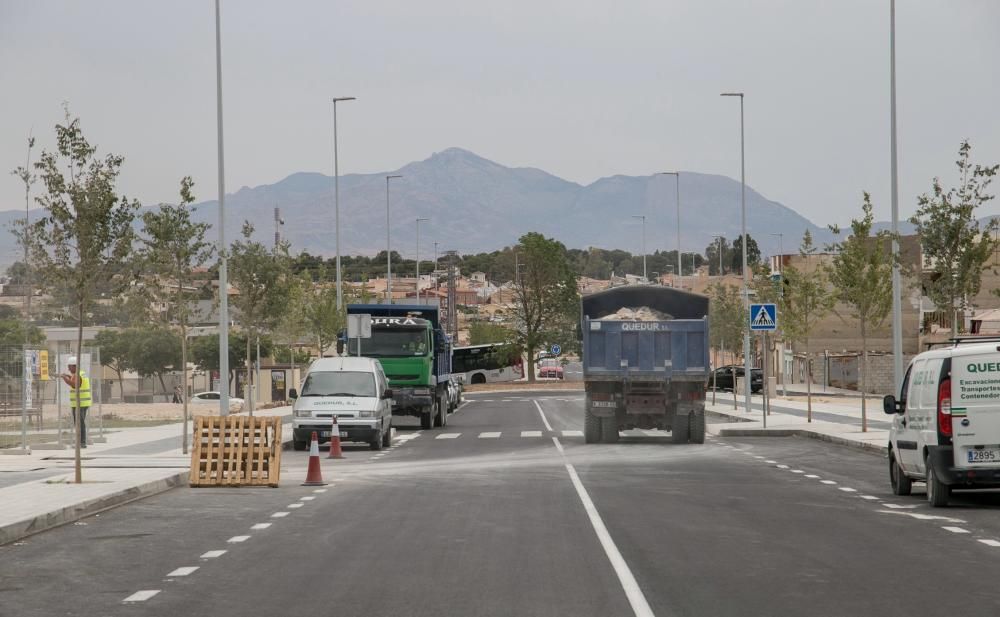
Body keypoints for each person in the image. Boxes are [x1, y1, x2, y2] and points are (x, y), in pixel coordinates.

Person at [59, 356, 91, 449]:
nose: (68, 368)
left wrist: (65, 378)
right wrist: (68, 376)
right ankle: (81, 442)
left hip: (79, 403)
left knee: (79, 423)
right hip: (83, 403)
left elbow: (74, 384)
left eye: (70, 366)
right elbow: (75, 380)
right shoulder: (80, 374)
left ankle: (82, 442)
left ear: (74, 366)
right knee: (80, 423)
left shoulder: (77, 375)